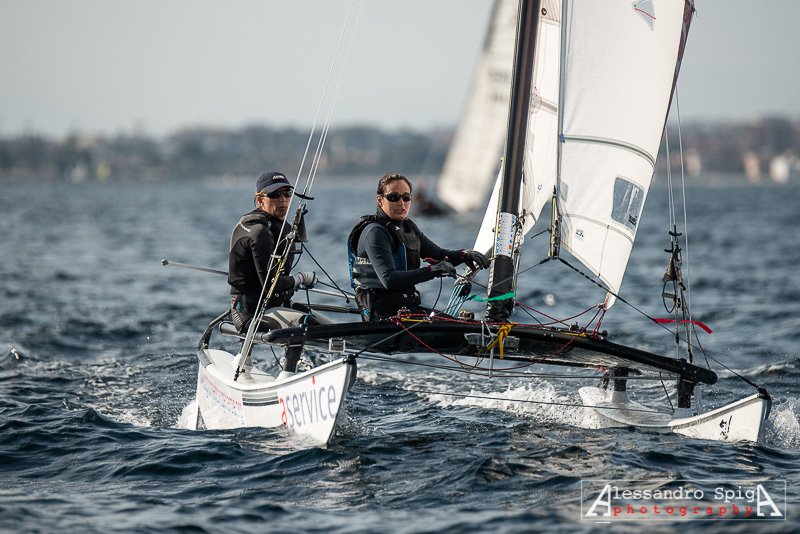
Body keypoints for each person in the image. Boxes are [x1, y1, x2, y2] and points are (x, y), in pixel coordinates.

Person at [347, 172, 490, 322]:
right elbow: (389, 279)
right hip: (382, 316)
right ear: (380, 200)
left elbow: (440, 255)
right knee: (456, 330)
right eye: (393, 197)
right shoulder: (375, 232)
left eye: (406, 197)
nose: (401, 203)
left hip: (406, 310)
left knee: (461, 325)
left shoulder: (409, 228)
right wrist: (433, 270)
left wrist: (464, 255)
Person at [228, 171, 316, 375]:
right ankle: (288, 375)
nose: (283, 200)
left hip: (269, 307)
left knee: (312, 317)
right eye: (275, 195)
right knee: (306, 323)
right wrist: (301, 279)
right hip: (248, 313)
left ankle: (245, 359)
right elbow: (271, 285)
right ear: (260, 200)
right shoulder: (259, 232)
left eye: (287, 194)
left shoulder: (274, 226)